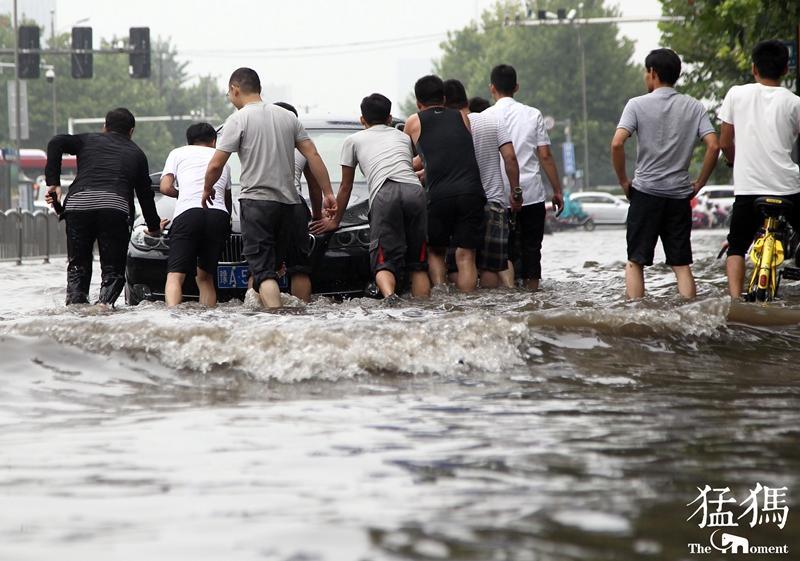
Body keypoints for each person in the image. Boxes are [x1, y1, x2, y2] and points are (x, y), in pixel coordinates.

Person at [202, 67, 337, 309]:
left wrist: (207, 188)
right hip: (290, 204)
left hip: (257, 202)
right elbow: (313, 154)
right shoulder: (288, 118)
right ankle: (301, 318)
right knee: (297, 267)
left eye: (229, 94)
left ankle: (275, 323)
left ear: (235, 89)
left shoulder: (238, 119)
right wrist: (328, 193)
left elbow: (215, 164)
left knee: (264, 271)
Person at [611, 48, 719, 299]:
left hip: (645, 193)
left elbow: (617, 143)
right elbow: (714, 145)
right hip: (679, 196)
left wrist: (624, 181)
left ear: (653, 73)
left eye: (645, 72)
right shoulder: (695, 107)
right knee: (681, 264)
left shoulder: (636, 105)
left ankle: (637, 318)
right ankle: (692, 318)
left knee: (635, 261)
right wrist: (700, 183)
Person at [310, 93, 430, 301]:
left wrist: (335, 221)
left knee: (384, 261)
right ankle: (424, 307)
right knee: (418, 263)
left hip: (385, 193)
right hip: (414, 191)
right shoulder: (403, 137)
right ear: (389, 119)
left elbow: (346, 187)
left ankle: (390, 298)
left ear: (362, 120)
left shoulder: (353, 140)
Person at [44, 107, 167, 306]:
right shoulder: (137, 154)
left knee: (78, 267)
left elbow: (55, 142)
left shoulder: (87, 140)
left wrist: (53, 183)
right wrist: (154, 227)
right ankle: (102, 308)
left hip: (77, 205)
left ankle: (76, 311)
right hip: (114, 207)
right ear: (131, 131)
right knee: (113, 272)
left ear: (104, 127)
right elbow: (145, 196)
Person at [719, 40, 800, 298]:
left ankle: (735, 301)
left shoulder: (735, 94)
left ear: (754, 68)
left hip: (748, 189)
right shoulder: (795, 102)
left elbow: (724, 142)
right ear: (785, 70)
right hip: (789, 187)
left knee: (736, 247)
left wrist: (734, 162)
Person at [484, 64, 564, 291]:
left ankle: (509, 296)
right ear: (516, 87)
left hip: (498, 196)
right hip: (532, 195)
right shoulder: (533, 114)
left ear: (492, 88)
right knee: (532, 250)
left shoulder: (484, 117)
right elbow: (546, 156)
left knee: (504, 252)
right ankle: (532, 295)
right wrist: (557, 190)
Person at [403, 75, 486, 293]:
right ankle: (468, 303)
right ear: (444, 97)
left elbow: (403, 158)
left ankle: (442, 296)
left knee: (436, 251)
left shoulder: (414, 121)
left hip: (439, 195)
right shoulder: (462, 117)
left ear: (419, 102)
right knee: (466, 255)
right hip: (471, 192)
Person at [443, 79, 522, 289]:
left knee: (456, 266)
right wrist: (516, 192)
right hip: (494, 203)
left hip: (459, 205)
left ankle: (467, 309)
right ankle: (489, 312)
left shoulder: (448, 128)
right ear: (465, 98)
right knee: (490, 266)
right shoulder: (493, 121)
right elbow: (510, 159)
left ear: (443, 102)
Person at [160, 123, 232, 308]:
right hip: (218, 215)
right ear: (214, 141)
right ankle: (208, 318)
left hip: (189, 214)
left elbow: (165, 187)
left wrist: (183, 193)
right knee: (206, 277)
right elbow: (226, 199)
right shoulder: (222, 159)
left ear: (189, 141)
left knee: (175, 275)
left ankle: (173, 317)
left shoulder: (178, 153)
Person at [274, 101, 325, 222]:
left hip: (259, 203)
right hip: (294, 203)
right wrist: (317, 216)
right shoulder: (305, 145)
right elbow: (314, 187)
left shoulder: (257, 140)